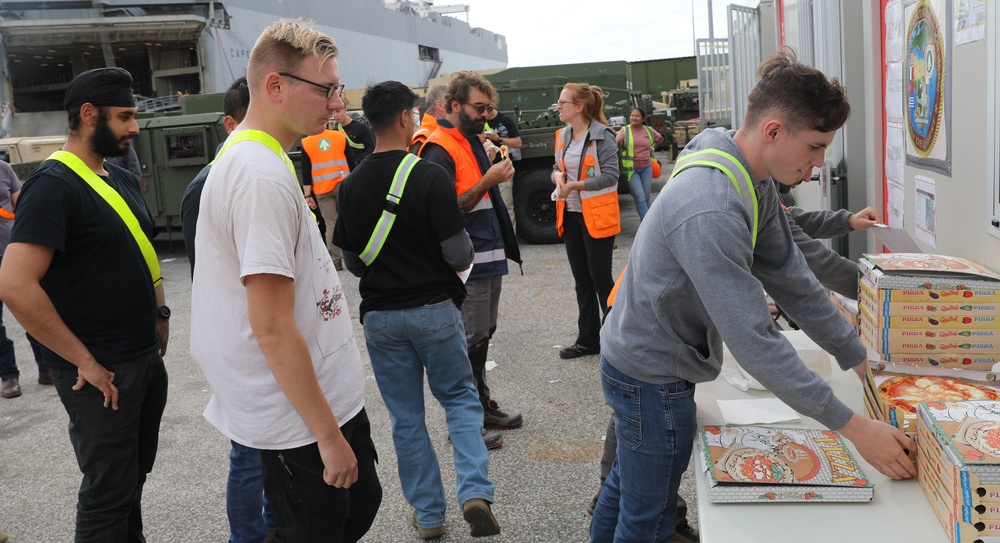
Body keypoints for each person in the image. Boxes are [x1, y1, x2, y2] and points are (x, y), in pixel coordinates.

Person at [591, 51, 916, 543]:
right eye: (814, 147)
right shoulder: (712, 205)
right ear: (773, 130)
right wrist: (854, 428)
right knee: (648, 516)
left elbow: (793, 279)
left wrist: (860, 362)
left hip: (647, 356)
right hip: (650, 374)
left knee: (625, 490)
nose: (818, 164)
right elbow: (755, 339)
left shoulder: (746, 168)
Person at [190, 19, 381, 543]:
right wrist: (326, 435)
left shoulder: (263, 157)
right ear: (275, 86)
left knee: (359, 504)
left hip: (310, 403)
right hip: (297, 418)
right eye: (327, 89)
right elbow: (271, 326)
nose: (337, 105)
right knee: (323, 525)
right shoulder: (258, 175)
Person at [0, 66, 170, 542]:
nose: (135, 127)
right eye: (126, 116)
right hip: (101, 374)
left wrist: (160, 311)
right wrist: (84, 361)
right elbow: (15, 285)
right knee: (107, 495)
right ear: (89, 114)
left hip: (140, 358)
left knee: (130, 482)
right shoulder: (52, 185)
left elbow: (142, 245)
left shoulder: (116, 175)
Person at [333, 80, 501, 540]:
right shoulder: (428, 176)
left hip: (382, 318)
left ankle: (428, 517)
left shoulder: (349, 186)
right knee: (460, 400)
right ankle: (474, 492)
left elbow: (351, 261)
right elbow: (459, 255)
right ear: (407, 117)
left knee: (406, 419)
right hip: (434, 310)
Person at [179, 77, 278, 543]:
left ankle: (274, 528)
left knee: (269, 449)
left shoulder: (259, 167)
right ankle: (250, 537)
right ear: (230, 124)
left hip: (261, 331)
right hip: (246, 337)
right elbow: (215, 278)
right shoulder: (211, 185)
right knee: (249, 452)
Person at [419, 71, 524, 445]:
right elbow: (443, 211)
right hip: (466, 263)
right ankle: (463, 425)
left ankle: (481, 404)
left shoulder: (470, 140)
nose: (486, 116)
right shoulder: (437, 148)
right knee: (468, 340)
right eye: (479, 108)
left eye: (489, 108)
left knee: (483, 334)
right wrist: (488, 180)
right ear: (452, 105)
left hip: (487, 256)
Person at [551, 83, 620, 360]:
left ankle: (617, 339)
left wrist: (576, 185)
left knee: (601, 279)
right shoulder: (561, 135)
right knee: (582, 279)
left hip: (596, 216)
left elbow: (611, 177)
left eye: (562, 102)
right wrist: (557, 177)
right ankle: (588, 340)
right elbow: (557, 168)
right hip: (570, 214)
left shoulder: (603, 136)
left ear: (578, 107)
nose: (558, 107)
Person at [0, 161, 51, 398]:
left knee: (31, 310)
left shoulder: (3, 168)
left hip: (13, 252)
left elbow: (19, 203)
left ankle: (46, 368)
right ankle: (9, 376)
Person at [300, 119, 356, 271]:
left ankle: (336, 261)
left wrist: (307, 195)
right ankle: (358, 256)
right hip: (343, 184)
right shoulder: (339, 137)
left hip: (322, 189)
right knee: (350, 219)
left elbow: (306, 171)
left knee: (331, 224)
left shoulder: (307, 142)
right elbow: (352, 163)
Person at [615, 108, 663, 220]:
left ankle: (645, 227)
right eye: (632, 115)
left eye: (637, 116)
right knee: (640, 197)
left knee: (646, 198)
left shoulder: (648, 130)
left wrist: (652, 148)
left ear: (643, 119)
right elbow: (615, 144)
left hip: (646, 167)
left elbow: (660, 139)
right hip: (631, 170)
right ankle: (650, 224)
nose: (634, 118)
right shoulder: (624, 131)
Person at [484, 103, 521, 228]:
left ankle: (511, 239)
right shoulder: (480, 121)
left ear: (493, 104)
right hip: (487, 169)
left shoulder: (505, 120)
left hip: (503, 167)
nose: (484, 112)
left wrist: (498, 138)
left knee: (506, 205)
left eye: (487, 107)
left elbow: (518, 142)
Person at [410, 84, 447, 154]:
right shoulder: (422, 138)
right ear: (440, 105)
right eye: (450, 104)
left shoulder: (439, 131)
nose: (454, 108)